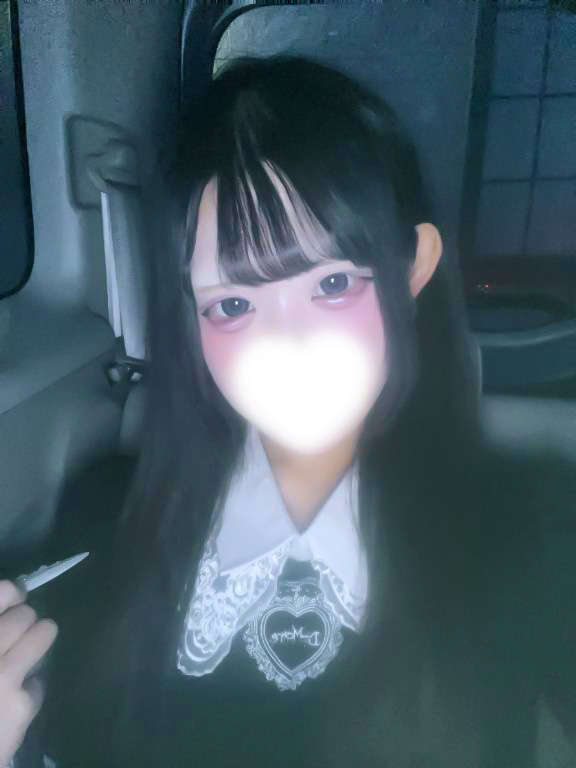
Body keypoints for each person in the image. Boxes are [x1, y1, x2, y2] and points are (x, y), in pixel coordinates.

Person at [2, 54, 575, 768]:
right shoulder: (103, 514)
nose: (287, 345)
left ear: (413, 267)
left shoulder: (535, 525)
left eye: (332, 284)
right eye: (233, 304)